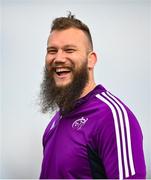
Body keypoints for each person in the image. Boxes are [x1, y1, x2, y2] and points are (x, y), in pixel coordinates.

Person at [39, 12, 146, 179]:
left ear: (91, 60)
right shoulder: (55, 123)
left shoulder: (111, 116)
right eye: (52, 51)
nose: (58, 58)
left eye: (69, 50)